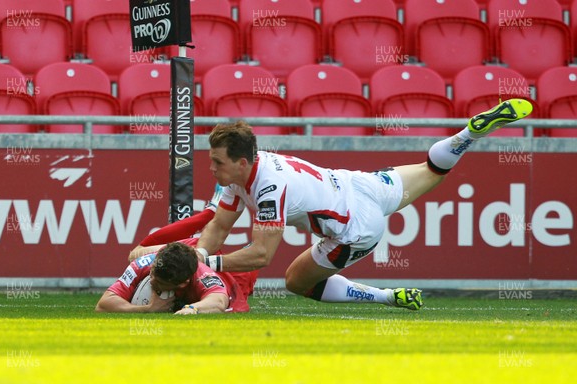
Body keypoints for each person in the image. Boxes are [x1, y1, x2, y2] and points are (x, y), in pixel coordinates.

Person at [192, 99, 533, 310]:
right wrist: (200, 256)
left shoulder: (267, 187)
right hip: (358, 183)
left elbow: (261, 255)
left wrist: (209, 261)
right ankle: (467, 135)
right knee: (432, 170)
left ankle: (385, 297)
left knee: (295, 281)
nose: (212, 169)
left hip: (355, 228)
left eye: (217, 162)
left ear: (241, 162)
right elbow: (220, 226)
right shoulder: (242, 171)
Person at [96, 239, 258, 314]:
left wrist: (192, 309)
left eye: (159, 282)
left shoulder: (203, 276)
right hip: (191, 247)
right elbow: (103, 304)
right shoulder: (143, 264)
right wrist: (146, 309)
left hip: (233, 280)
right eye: (152, 274)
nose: (151, 280)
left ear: (182, 284)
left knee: (253, 263)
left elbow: (219, 301)